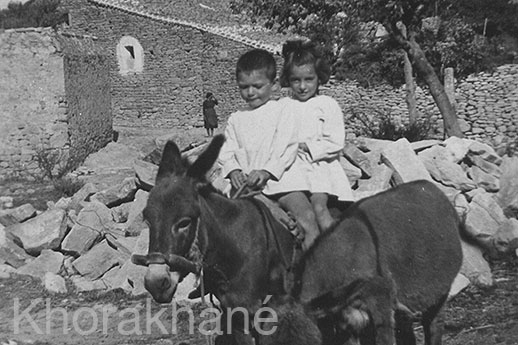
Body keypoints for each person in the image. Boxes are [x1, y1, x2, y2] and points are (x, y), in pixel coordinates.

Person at [218, 48, 321, 250]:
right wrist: (233, 170)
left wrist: (267, 172)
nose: (250, 92)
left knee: (308, 221)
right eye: (244, 87)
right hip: (248, 188)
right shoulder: (236, 119)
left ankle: (315, 272)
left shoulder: (283, 109)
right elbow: (227, 150)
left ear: (273, 85)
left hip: (282, 183)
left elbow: (287, 146)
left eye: (257, 86)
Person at [279, 39, 354, 233]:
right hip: (292, 169)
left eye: (308, 79)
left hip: (320, 169)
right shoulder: (283, 106)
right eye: (296, 80)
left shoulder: (326, 104)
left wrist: (308, 147)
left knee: (320, 208)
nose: (302, 86)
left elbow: (336, 142)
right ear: (288, 80)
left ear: (318, 78)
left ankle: (339, 248)